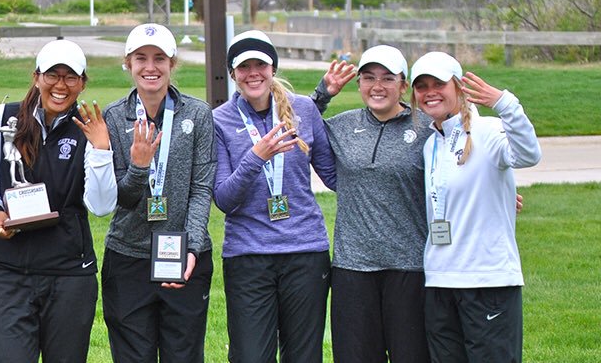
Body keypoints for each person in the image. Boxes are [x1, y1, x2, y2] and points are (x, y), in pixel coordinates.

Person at [0, 40, 117, 362]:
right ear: (36, 76)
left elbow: (102, 206)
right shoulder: (5, 117)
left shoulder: (90, 129)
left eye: (70, 77)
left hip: (68, 273)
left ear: (82, 83)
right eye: (52, 75)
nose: (60, 85)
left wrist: (102, 151)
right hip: (11, 270)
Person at [212, 30, 337, 362]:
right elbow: (224, 198)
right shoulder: (221, 120)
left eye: (261, 65)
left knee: (304, 356)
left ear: (273, 68)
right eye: (244, 67)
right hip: (248, 255)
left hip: (305, 252)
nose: (253, 73)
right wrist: (256, 157)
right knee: (251, 356)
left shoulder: (304, 110)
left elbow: (334, 175)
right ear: (234, 74)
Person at [409, 51, 541, 362]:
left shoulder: (489, 131)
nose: (430, 93)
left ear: (458, 87)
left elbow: (528, 155)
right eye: (421, 86)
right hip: (440, 280)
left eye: (438, 84)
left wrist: (505, 103)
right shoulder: (431, 143)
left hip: (487, 281)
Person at [99, 23, 218, 362]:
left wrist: (193, 248)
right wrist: (139, 168)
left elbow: (201, 187)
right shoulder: (113, 116)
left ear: (172, 63)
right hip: (128, 256)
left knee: (183, 355)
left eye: (159, 59)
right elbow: (119, 197)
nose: (150, 68)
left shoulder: (197, 114)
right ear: (128, 63)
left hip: (184, 258)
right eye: (141, 58)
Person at [316, 46, 434, 363]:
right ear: (358, 84)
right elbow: (297, 121)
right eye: (369, 78)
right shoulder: (342, 126)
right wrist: (323, 93)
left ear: (403, 85)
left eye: (387, 78)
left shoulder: (426, 129)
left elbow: (464, 156)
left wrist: (499, 195)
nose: (377, 87)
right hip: (352, 267)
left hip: (409, 265)